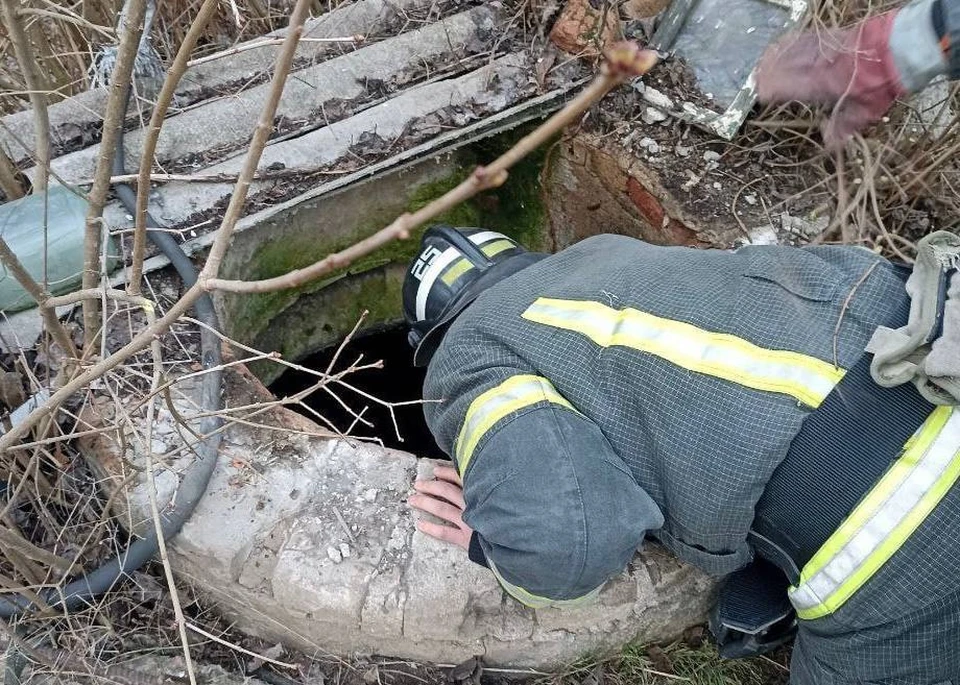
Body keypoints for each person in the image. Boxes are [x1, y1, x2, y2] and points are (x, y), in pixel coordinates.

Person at [404, 1, 960, 682]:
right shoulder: (597, 260)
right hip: (934, 334)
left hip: (903, 517)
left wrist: (497, 544)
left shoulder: (469, 356)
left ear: (437, 338)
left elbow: (566, 542)